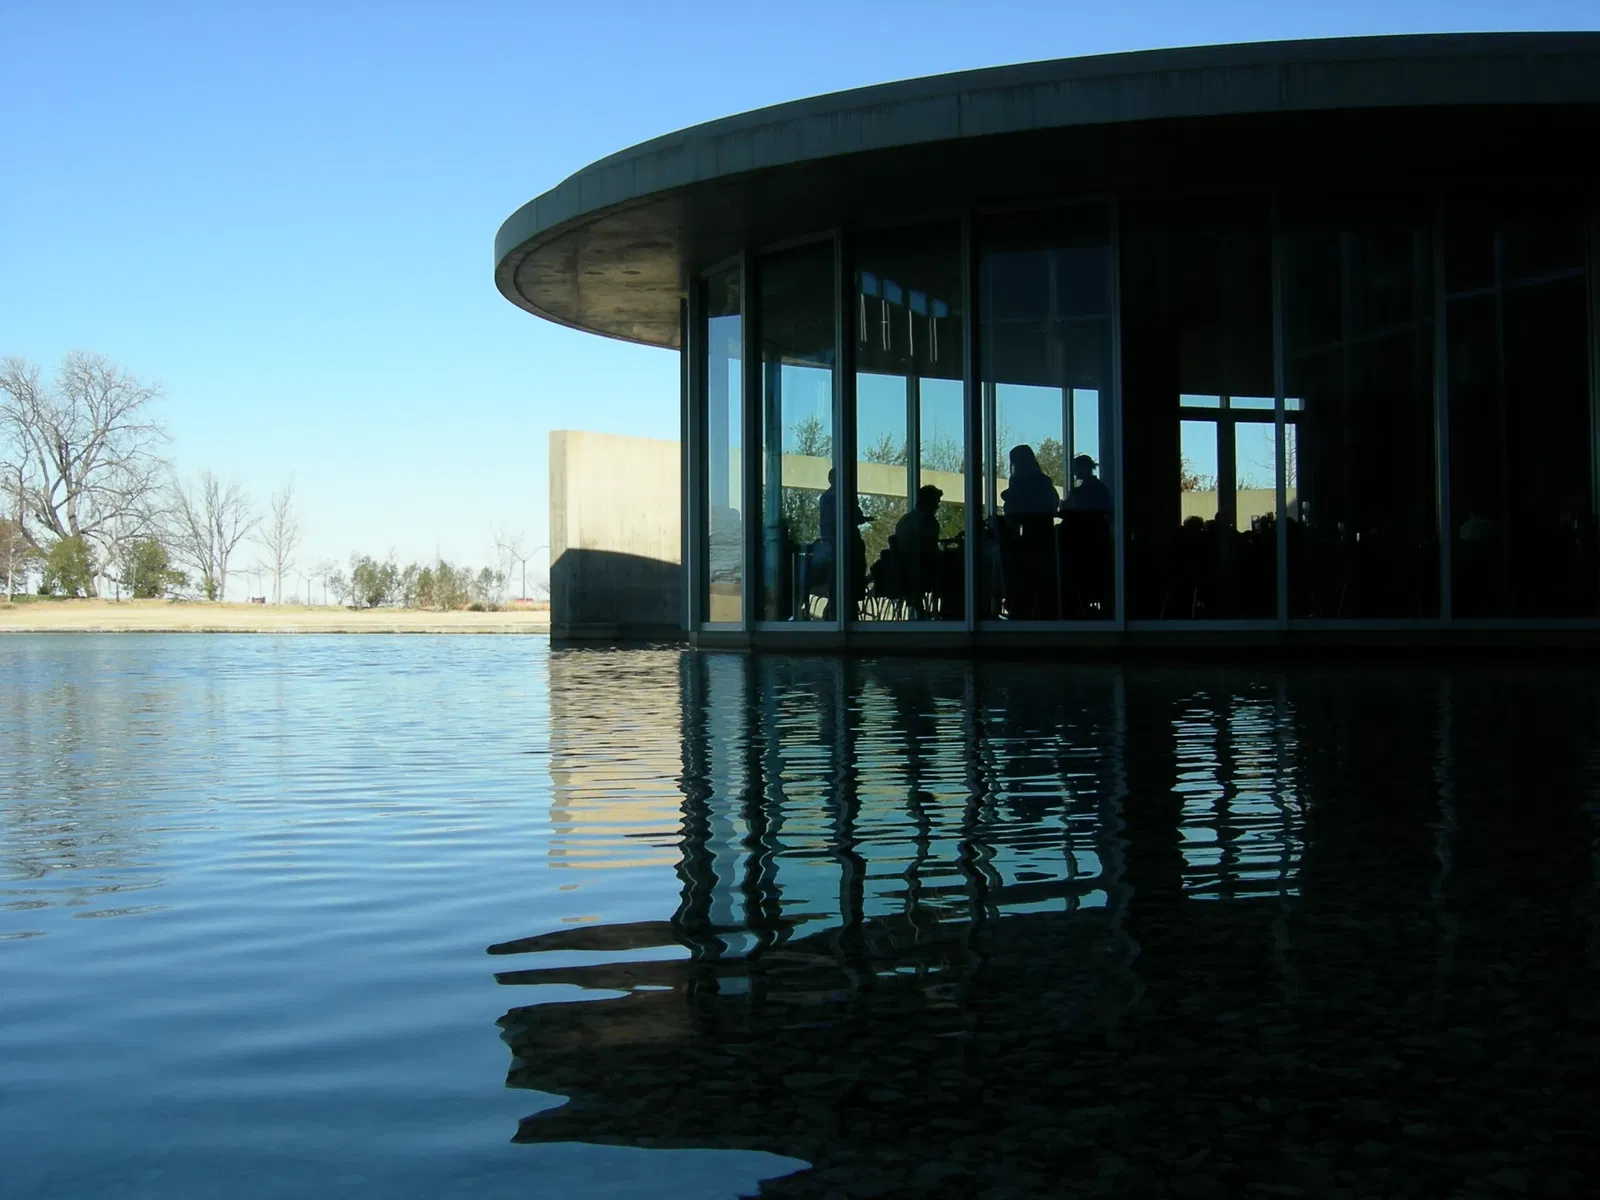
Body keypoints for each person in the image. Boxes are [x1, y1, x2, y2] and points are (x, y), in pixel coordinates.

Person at [892, 484, 944, 617]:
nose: (937, 507)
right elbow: (923, 548)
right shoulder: (920, 523)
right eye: (936, 502)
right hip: (916, 568)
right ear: (927, 502)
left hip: (911, 567)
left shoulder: (907, 520)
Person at [1000, 445, 1059, 516]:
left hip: (1025, 524)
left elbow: (1012, 505)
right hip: (1044, 524)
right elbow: (1054, 502)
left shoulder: (1017, 482)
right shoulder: (1044, 480)